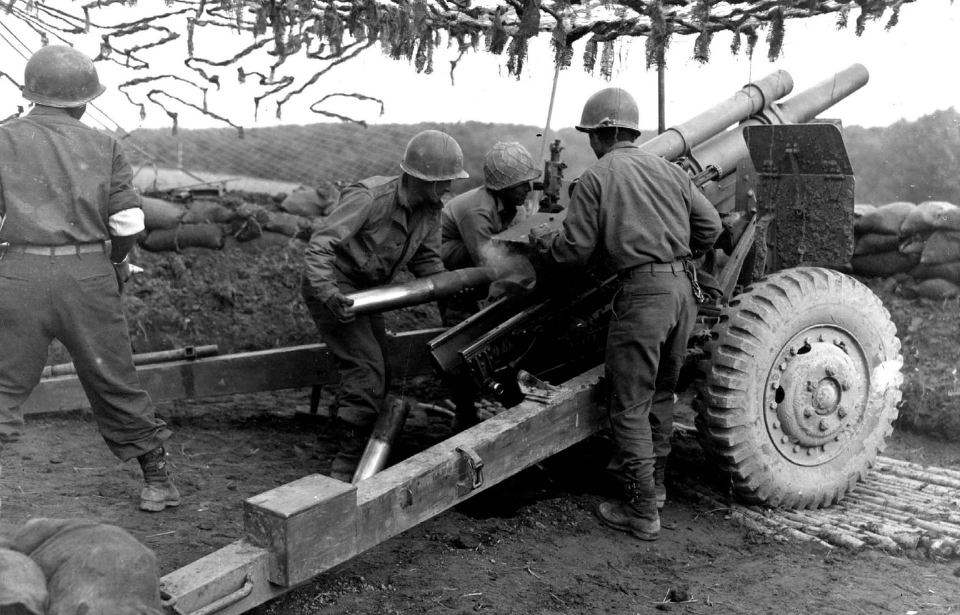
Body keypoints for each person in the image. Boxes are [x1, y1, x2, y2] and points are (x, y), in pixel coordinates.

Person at [531, 87, 721, 541]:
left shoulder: (598, 176)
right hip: (682, 294)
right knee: (661, 395)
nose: (591, 144)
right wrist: (674, 257)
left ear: (603, 134)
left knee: (629, 405)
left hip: (643, 299)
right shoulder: (671, 171)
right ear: (632, 131)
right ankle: (652, 492)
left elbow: (574, 252)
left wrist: (544, 243)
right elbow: (711, 227)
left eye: (591, 135)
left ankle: (639, 512)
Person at [0, 45, 179, 513]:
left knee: (1, 383)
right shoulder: (105, 146)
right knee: (113, 376)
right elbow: (128, 224)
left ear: (31, 94)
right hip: (88, 276)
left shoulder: (2, 138)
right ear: (82, 100)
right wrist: (118, 263)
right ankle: (157, 481)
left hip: (18, 274)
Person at [301, 129, 468, 481]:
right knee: (367, 372)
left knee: (383, 367)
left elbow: (427, 263)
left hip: (368, 291)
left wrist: (456, 287)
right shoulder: (370, 198)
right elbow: (319, 247)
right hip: (334, 287)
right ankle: (344, 469)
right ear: (421, 179)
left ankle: (332, 440)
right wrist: (329, 294)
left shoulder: (430, 210)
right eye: (443, 181)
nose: (448, 189)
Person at [439, 142, 540, 326]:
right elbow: (485, 258)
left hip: (468, 251)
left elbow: (517, 245)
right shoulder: (478, 210)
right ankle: (457, 314)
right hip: (445, 257)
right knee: (490, 262)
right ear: (505, 186)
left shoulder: (514, 207)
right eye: (522, 184)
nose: (529, 188)